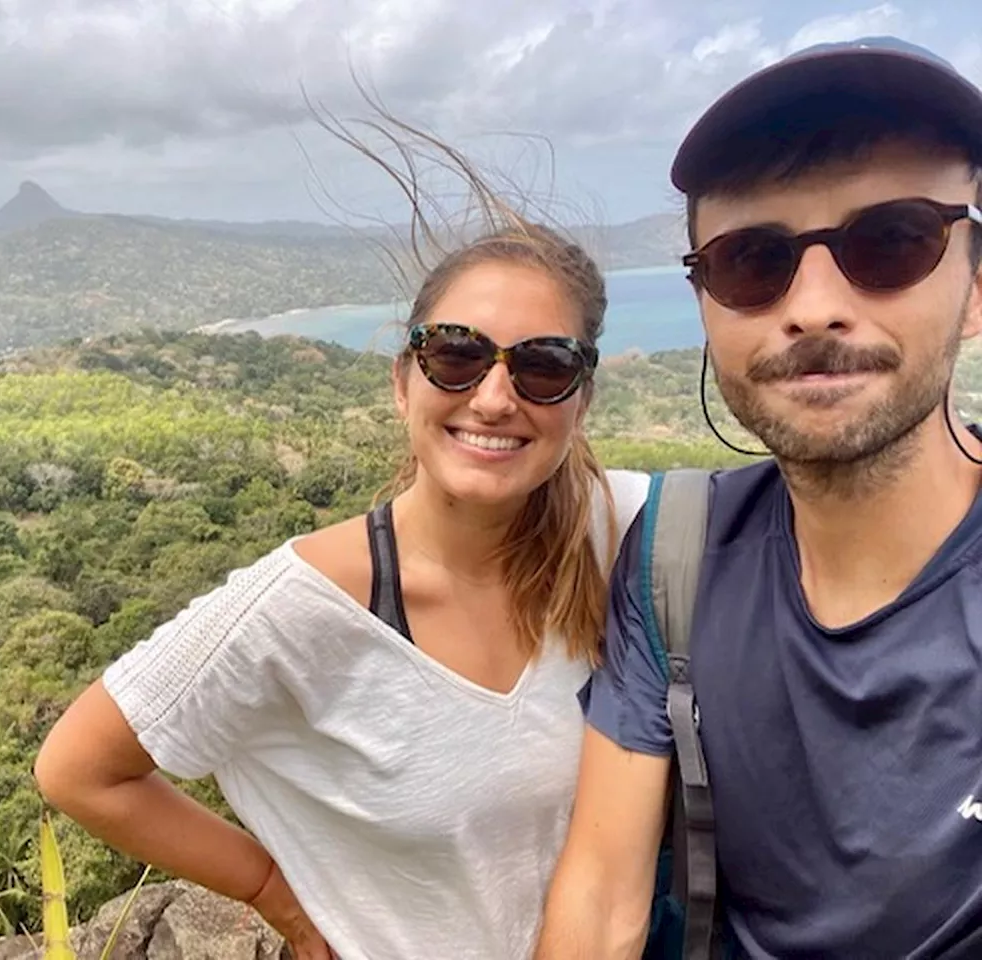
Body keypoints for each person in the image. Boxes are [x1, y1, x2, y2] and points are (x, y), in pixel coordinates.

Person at [33, 117, 650, 960]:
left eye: (542, 365)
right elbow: (77, 770)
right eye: (456, 355)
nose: (496, 397)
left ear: (582, 401)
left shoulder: (625, 532)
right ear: (404, 383)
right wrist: (272, 892)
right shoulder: (306, 603)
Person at [537, 36, 982, 960]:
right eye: (751, 261)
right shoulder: (677, 556)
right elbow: (600, 898)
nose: (813, 304)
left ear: (974, 286)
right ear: (705, 303)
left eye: (893, 241)